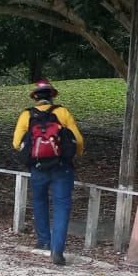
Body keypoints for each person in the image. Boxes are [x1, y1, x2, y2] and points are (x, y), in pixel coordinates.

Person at [12, 80, 85, 266]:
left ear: (35, 97)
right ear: (52, 96)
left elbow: (16, 142)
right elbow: (77, 139)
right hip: (62, 167)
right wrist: (77, 154)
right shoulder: (62, 112)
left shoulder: (26, 115)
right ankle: (57, 248)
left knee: (39, 201)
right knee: (61, 206)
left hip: (38, 167)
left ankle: (43, 240)